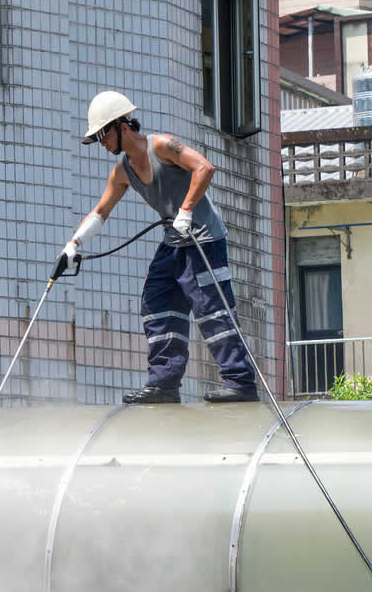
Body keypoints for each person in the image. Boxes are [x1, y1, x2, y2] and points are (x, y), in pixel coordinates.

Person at [57, 90, 259, 404]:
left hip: (203, 238)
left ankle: (241, 382)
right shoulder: (122, 171)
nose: (102, 142)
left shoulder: (161, 146)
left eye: (102, 134)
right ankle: (164, 384)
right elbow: (100, 212)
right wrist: (73, 245)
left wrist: (187, 210)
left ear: (122, 126)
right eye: (96, 137)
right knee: (157, 302)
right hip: (173, 241)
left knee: (212, 309)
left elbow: (204, 168)